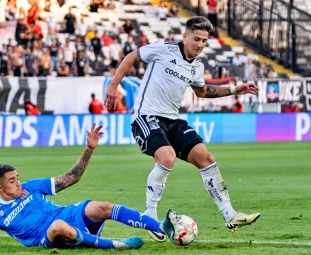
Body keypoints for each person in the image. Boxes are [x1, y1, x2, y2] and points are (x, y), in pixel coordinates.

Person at [104, 16, 260, 242]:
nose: (199, 45)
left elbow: (203, 92)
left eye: (204, 41)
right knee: (166, 157)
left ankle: (230, 214)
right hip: (145, 116)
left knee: (205, 157)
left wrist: (236, 90)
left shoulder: (197, 66)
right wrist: (113, 86)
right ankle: (149, 217)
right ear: (185, 35)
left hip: (172, 120)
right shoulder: (163, 49)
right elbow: (132, 57)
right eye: (196, 39)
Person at [0, 124, 184, 249]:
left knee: (100, 207)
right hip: (47, 236)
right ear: (0, 188)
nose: (18, 182)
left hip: (68, 215)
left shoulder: (32, 187)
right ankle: (115, 245)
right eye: (11, 180)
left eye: (17, 177)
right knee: (58, 225)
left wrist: (89, 149)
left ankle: (160, 226)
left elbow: (72, 177)